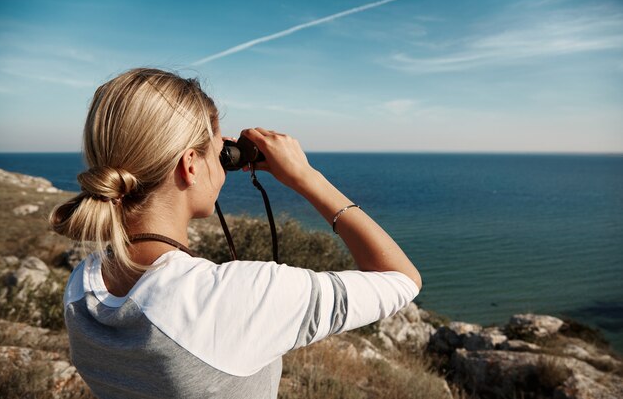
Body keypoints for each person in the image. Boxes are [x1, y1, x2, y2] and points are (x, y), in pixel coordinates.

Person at [50, 68, 422, 399]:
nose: (224, 166)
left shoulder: (82, 288)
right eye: (218, 153)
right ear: (190, 166)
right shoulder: (233, 298)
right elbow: (402, 281)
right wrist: (306, 178)